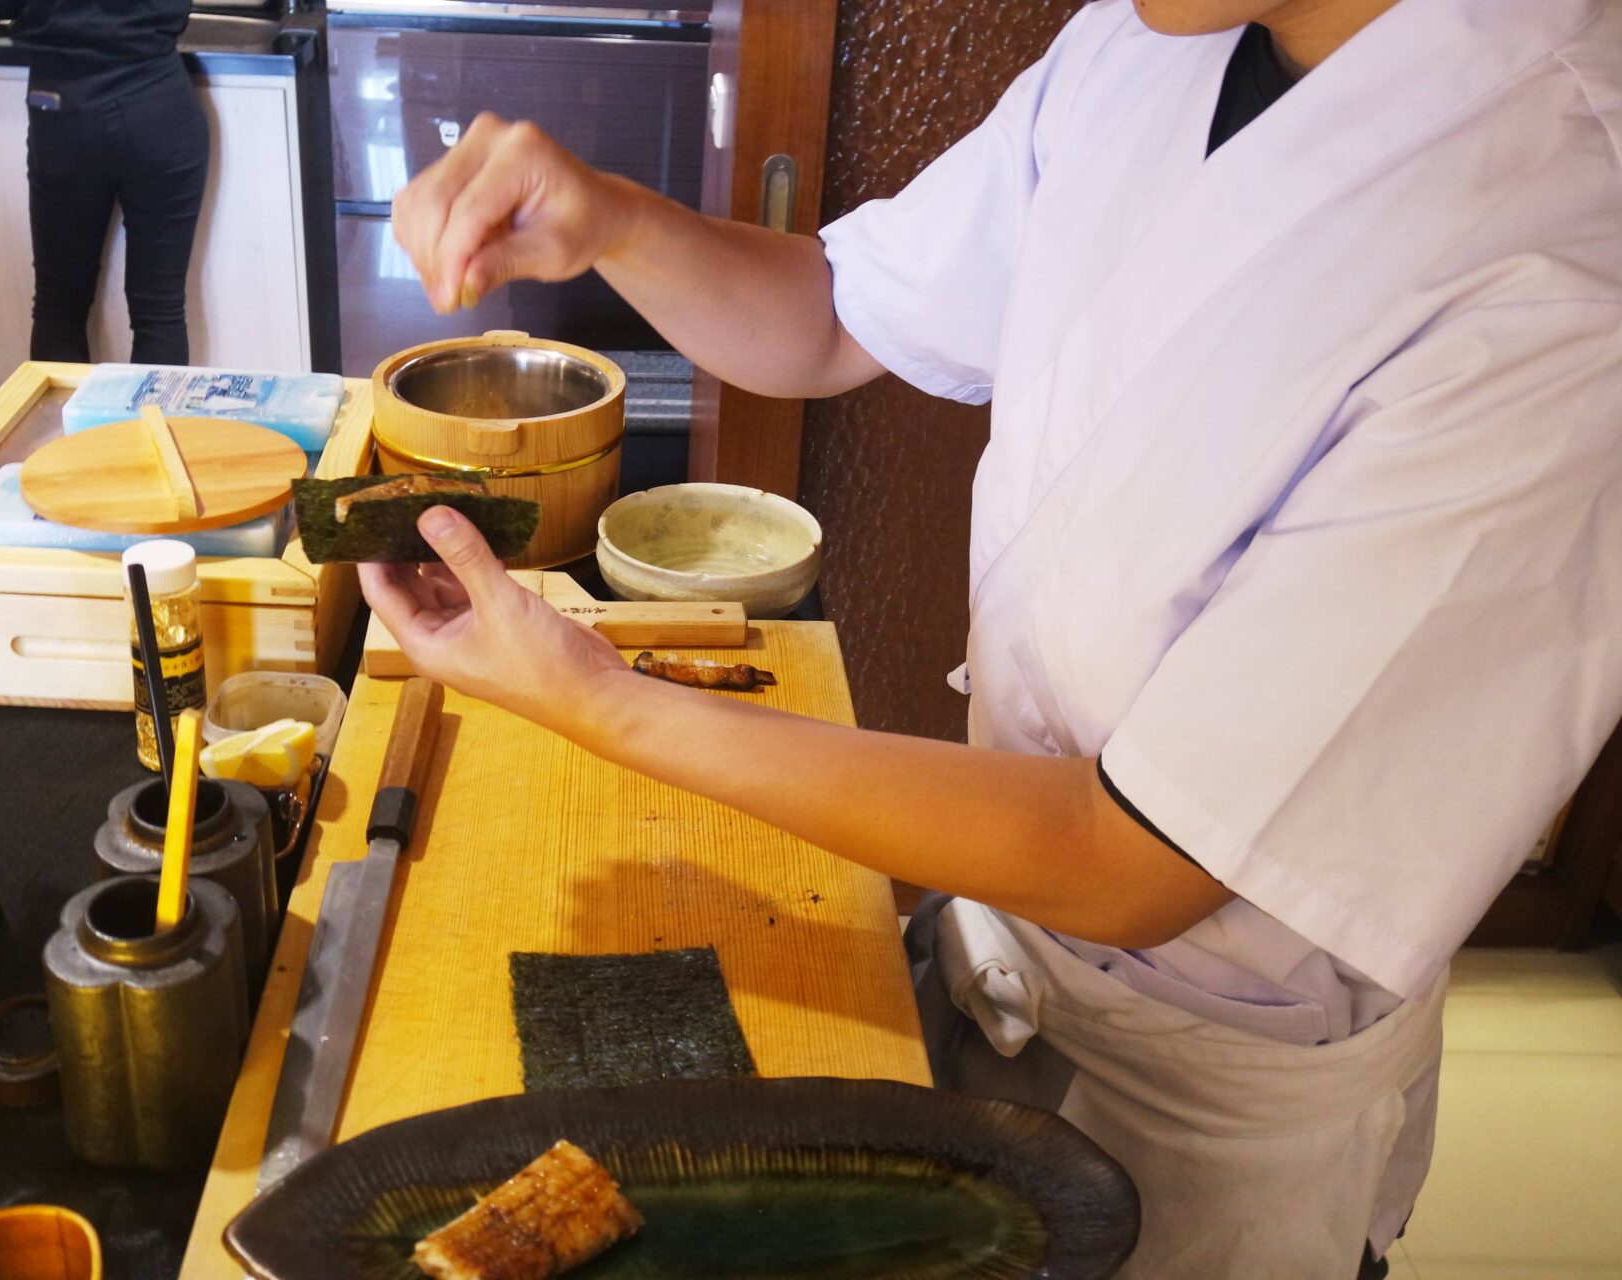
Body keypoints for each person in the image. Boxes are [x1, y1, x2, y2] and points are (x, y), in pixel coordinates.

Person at [364, 0, 1622, 1275]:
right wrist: (615, 218)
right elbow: (830, 318)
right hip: (1000, 938)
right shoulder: (1146, 42)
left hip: (1206, 1082)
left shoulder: (1561, 244)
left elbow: (1134, 858)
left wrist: (606, 697)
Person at [0, 0, 209, 363]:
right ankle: (149, 423)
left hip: (64, 107)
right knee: (159, 313)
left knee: (59, 309)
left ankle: (63, 423)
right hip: (158, 101)